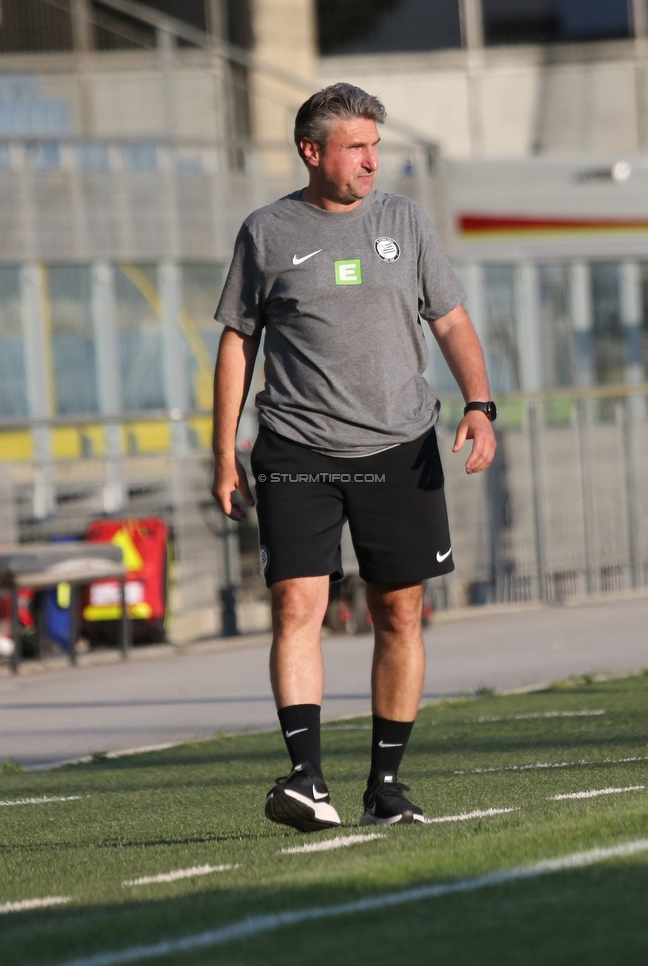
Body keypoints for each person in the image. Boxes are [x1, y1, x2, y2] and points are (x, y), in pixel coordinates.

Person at [211, 82, 496, 832]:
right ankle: (306, 778)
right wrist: (222, 453)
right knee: (295, 603)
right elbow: (237, 343)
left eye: (376, 146)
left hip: (399, 448)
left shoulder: (406, 220)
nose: (372, 161)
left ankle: (387, 786)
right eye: (356, 147)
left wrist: (479, 403)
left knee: (399, 613)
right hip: (297, 446)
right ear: (313, 151)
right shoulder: (266, 232)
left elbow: (453, 321)